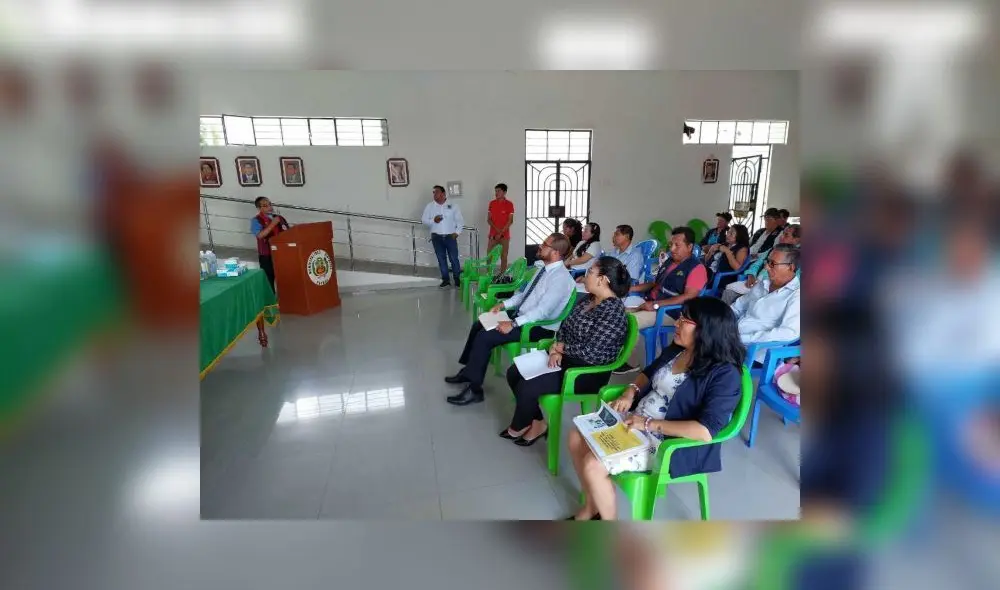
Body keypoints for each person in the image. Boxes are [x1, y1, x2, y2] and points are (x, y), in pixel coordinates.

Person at [565, 296, 745, 520]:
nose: (677, 323)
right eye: (679, 318)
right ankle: (594, 508)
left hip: (666, 443)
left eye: (685, 320)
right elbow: (648, 374)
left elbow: (705, 431)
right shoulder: (678, 350)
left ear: (706, 330)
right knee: (575, 436)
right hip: (636, 422)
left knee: (593, 464)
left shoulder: (724, 374)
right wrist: (630, 392)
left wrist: (648, 423)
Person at [501, 256, 631, 445]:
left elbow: (593, 352)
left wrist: (563, 348)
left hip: (585, 372)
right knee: (514, 372)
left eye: (590, 272)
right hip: (565, 358)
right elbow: (565, 326)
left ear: (603, 280)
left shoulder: (613, 312)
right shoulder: (589, 299)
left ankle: (519, 425)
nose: (585, 277)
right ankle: (537, 422)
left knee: (527, 385)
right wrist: (556, 349)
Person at [445, 233, 575, 406]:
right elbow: (523, 295)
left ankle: (475, 390)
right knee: (479, 324)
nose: (540, 247)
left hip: (537, 327)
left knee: (485, 337)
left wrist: (512, 324)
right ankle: (468, 371)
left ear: (556, 252)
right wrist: (503, 305)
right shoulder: (542, 269)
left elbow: (543, 312)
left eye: (545, 245)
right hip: (522, 317)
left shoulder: (560, 278)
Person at [615, 226, 707, 374]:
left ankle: (630, 363)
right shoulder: (670, 261)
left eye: (678, 245)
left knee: (630, 320)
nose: (673, 249)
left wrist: (657, 305)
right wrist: (629, 289)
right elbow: (655, 284)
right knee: (616, 309)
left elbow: (689, 296)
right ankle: (618, 352)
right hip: (652, 301)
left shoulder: (696, 268)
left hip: (672, 312)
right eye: (671, 244)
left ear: (690, 247)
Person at [732, 244, 801, 362]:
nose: (766, 267)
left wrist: (742, 338)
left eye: (772, 264)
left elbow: (788, 333)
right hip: (733, 339)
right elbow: (738, 306)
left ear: (791, 267)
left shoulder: (796, 296)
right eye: (767, 262)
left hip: (754, 352)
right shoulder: (762, 284)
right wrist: (719, 322)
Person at [723, 224, 800, 304]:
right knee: (729, 291)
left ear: (797, 239)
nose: (781, 237)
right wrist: (751, 275)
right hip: (756, 283)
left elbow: (793, 281)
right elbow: (757, 264)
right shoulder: (773, 250)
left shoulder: (798, 258)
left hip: (773, 289)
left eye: (786, 235)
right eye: (783, 233)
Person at [422, 185, 465, 288]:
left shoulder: (453, 205)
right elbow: (423, 220)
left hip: (450, 237)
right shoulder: (430, 206)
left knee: (454, 259)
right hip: (436, 237)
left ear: (443, 193)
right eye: (433, 192)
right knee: (441, 259)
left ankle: (457, 279)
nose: (434, 194)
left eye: (436, 192)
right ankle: (445, 280)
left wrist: (457, 233)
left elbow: (460, 221)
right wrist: (433, 220)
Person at [249, 196, 289, 293]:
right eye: (265, 205)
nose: (269, 207)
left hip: (281, 253)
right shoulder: (256, 220)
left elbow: (288, 232)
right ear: (259, 208)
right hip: (266, 255)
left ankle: (286, 301)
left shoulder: (280, 218)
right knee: (268, 280)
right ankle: (271, 304)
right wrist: (273, 224)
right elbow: (260, 235)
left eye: (270, 204)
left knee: (285, 278)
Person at [702, 223, 750, 289]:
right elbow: (706, 262)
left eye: (731, 233)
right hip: (710, 272)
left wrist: (727, 252)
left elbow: (737, 268)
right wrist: (710, 251)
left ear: (739, 236)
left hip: (721, 277)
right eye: (728, 232)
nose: (728, 235)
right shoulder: (724, 244)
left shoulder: (742, 248)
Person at [486, 183, 515, 273]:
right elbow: (488, 219)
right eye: (496, 191)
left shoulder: (509, 204)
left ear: (504, 192)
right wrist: (497, 230)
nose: (496, 193)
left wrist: (501, 233)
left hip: (505, 236)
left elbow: (510, 221)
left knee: (504, 256)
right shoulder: (492, 203)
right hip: (493, 235)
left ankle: (502, 275)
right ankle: (489, 274)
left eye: (498, 191)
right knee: (489, 255)